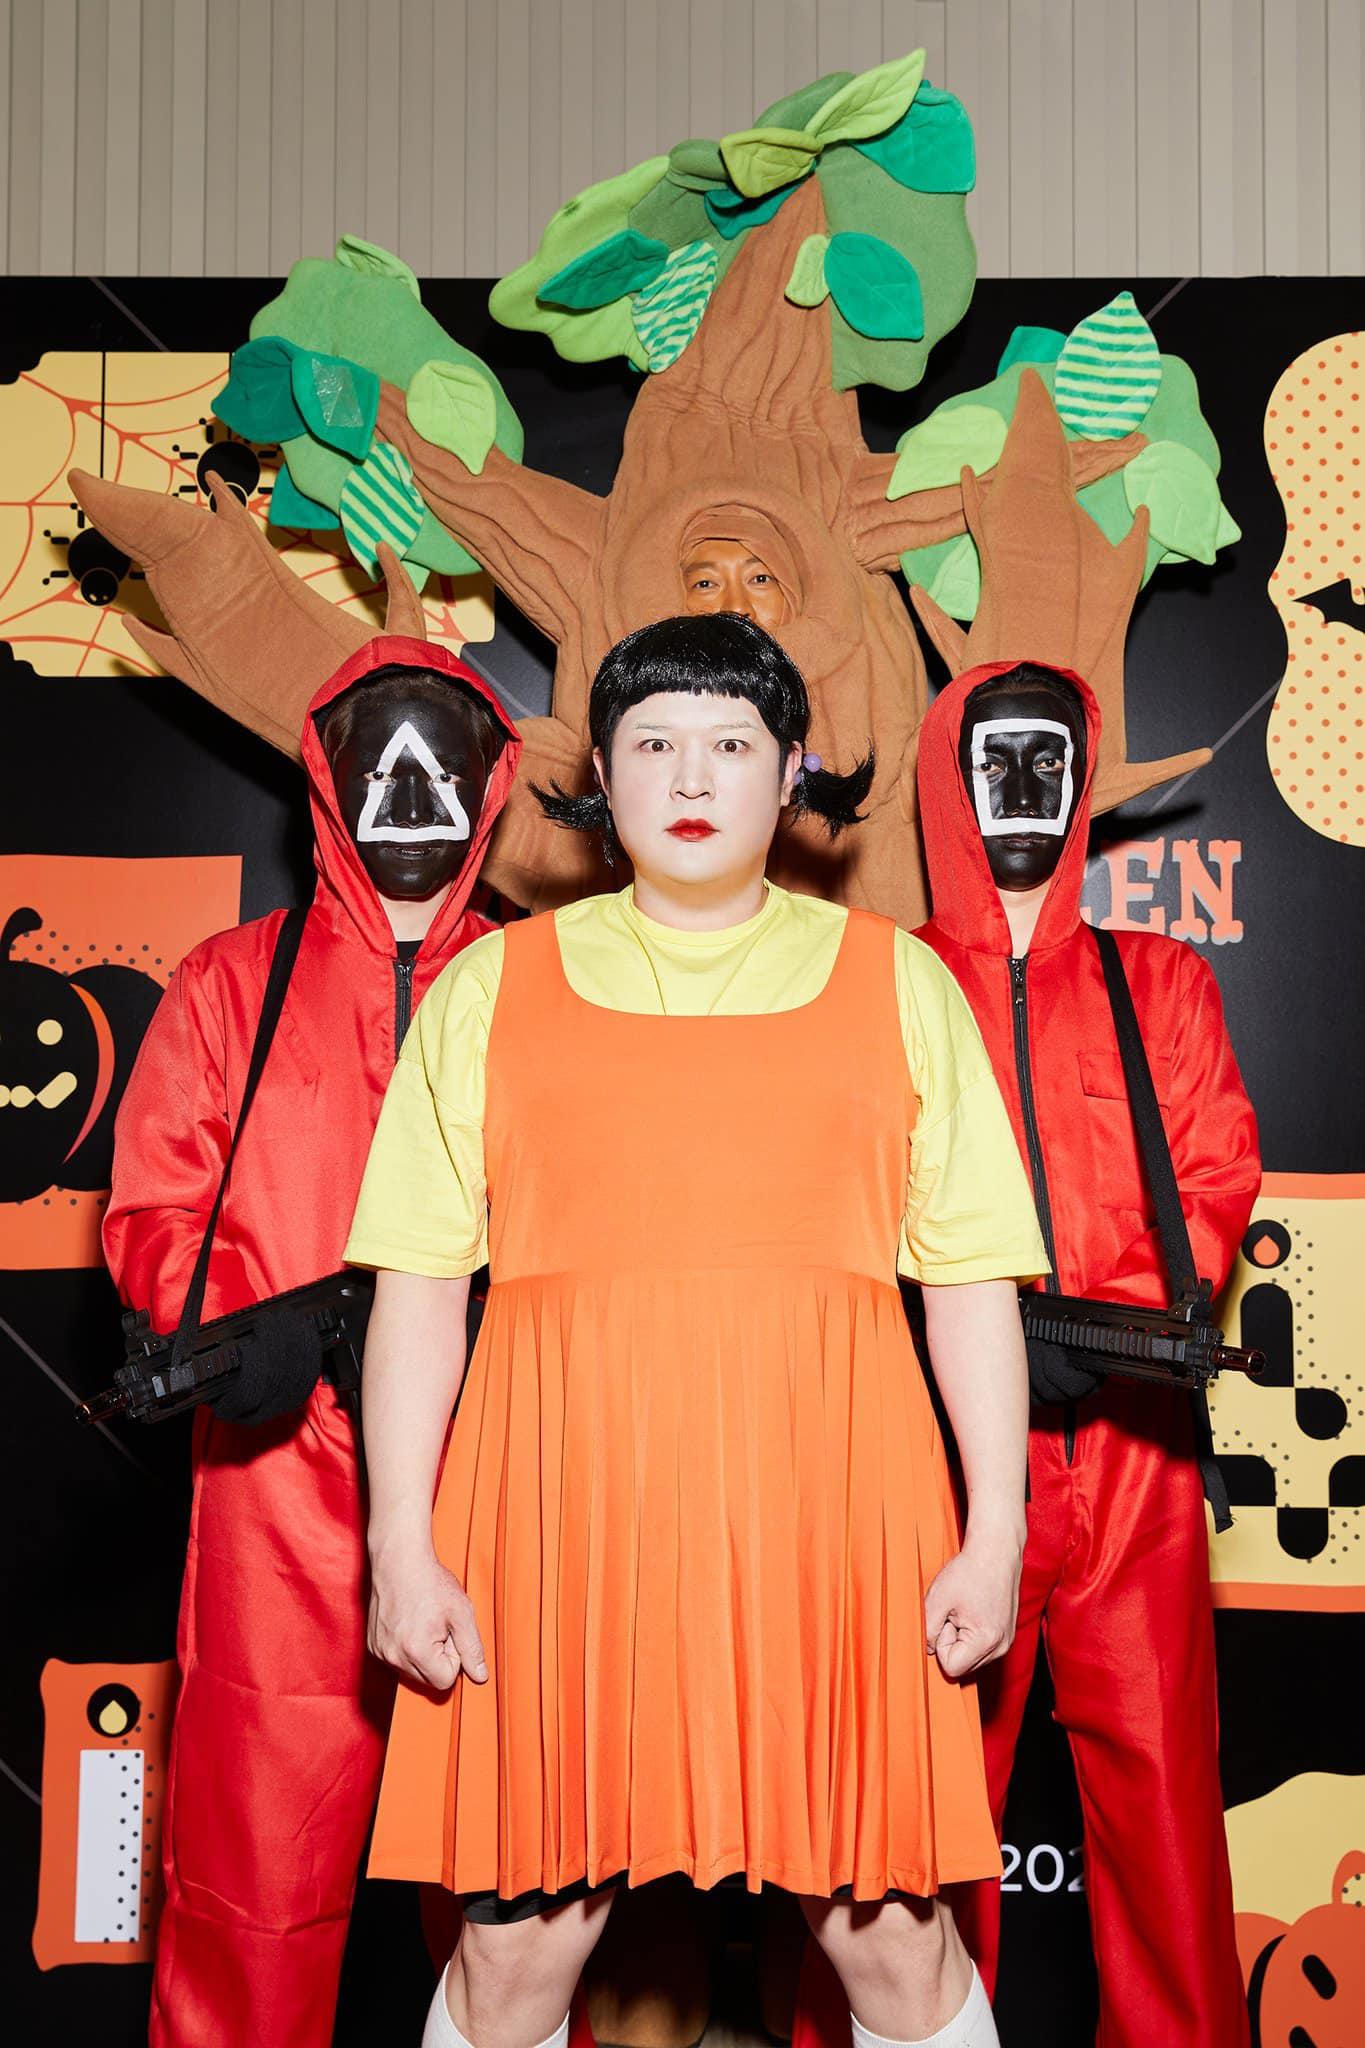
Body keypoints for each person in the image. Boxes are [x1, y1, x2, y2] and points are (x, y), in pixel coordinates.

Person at [345, 613, 1050, 2048]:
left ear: (789, 775)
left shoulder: (903, 982)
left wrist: (996, 1530)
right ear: (600, 776)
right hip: (556, 1509)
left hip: (832, 1510)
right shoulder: (487, 986)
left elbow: (972, 1282)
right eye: (653, 742)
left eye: (730, 743)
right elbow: (416, 1287)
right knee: (511, 1957)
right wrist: (399, 1545)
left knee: (896, 1947)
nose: (690, 775)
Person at [797, 656, 1259, 2048]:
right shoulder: (874, 983)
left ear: (1080, 780)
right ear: (949, 776)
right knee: (902, 1841)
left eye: (1048, 757)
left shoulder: (1158, 982)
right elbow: (828, 1206)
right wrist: (970, 1340)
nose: (1020, 784)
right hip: (930, 1462)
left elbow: (1213, 1177)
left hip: (1131, 1454)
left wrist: (1107, 1323)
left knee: (1165, 1829)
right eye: (992, 755)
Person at [103, 636, 521, 2048]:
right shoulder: (232, 982)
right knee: (252, 1893)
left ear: (491, 785)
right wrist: (244, 1327)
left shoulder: (541, 986)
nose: (408, 794)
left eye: (439, 766)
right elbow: (154, 1209)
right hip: (277, 1488)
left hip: (501, 1480)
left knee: (522, 1909)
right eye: (376, 764)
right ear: (327, 783)